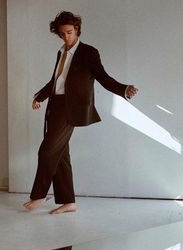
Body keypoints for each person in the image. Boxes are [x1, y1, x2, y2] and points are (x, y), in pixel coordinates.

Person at [23, 11, 138, 214]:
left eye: (69, 32)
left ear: (77, 29)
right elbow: (56, 80)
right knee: (60, 154)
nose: (67, 37)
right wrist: (40, 97)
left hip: (71, 108)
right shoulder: (61, 52)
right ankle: (69, 202)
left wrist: (123, 89)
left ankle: (39, 195)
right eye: (62, 34)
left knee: (47, 150)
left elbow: (103, 77)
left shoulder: (88, 53)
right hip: (56, 105)